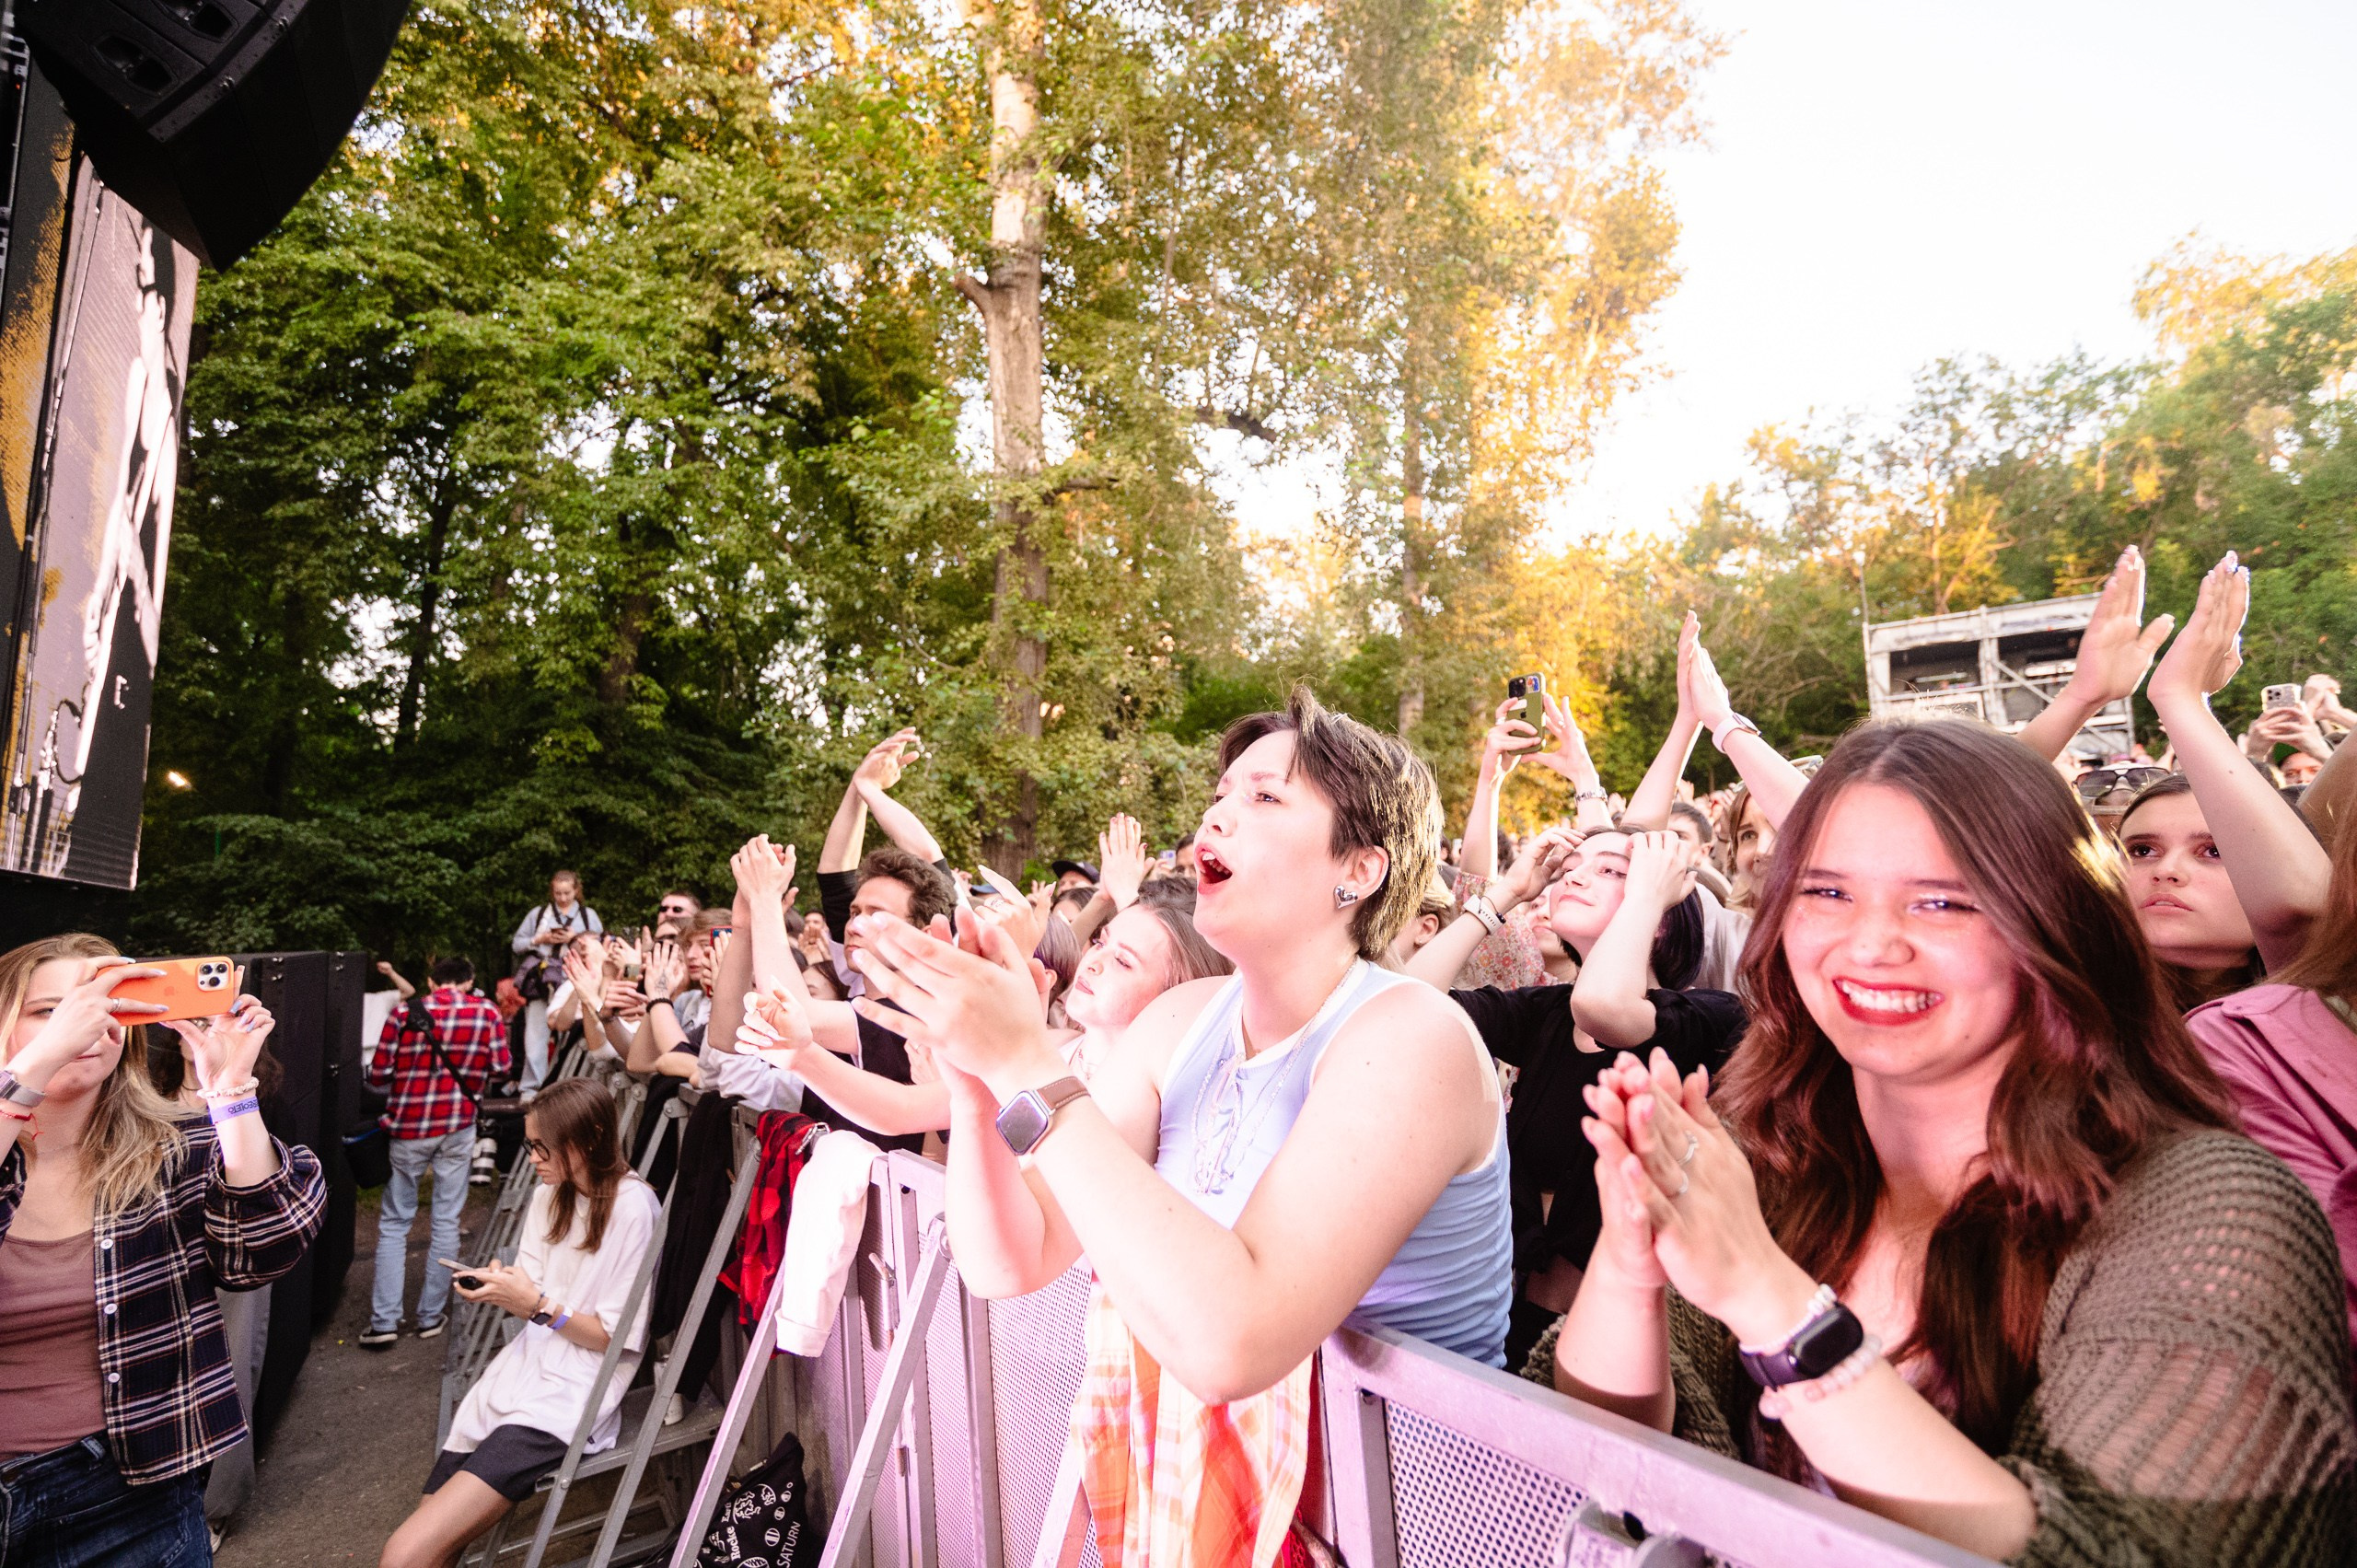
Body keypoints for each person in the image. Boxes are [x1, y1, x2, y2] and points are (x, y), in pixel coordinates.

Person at [1538, 718, 2354, 1566]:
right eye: (1826, 893)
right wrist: (1634, 1259)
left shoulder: (2216, 1210)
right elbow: (1597, 1462)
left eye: (1943, 900)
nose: (1872, 943)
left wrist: (1774, 1303)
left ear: (2054, 923)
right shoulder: (1778, 1147)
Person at [852, 688, 1511, 1568]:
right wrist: (972, 1077)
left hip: (1415, 1525)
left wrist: (1024, 1062)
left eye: (1266, 797)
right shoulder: (1183, 1020)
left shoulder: (1412, 1035)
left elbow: (1230, 1341)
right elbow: (1009, 1256)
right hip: (1227, 1512)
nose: (1218, 813)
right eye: (1221, 794)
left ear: (1358, 868)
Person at [0, 935, 325, 1564]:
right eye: (51, 1009)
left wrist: (231, 1093)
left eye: (110, 1006)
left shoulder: (171, 1148)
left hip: (130, 1495)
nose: (90, 1021)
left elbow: (264, 1247)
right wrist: (31, 1072)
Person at [1405, 825, 1743, 1367]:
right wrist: (1506, 894)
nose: (1575, 875)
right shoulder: (1547, 1012)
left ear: (1662, 916)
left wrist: (1649, 896)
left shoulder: (1708, 1017)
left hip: (1629, 1353)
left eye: (1611, 870)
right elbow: (1405, 1006)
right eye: (1570, 867)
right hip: (1512, 1327)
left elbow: (1607, 1006)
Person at [380, 1079, 660, 1568]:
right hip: (520, 1376)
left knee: (406, 1553)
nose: (531, 1157)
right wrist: (500, 1284)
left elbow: (612, 1340)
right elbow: (530, 1284)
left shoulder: (633, 1207)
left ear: (589, 1138)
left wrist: (537, 1306)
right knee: (422, 1549)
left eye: (540, 1146)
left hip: (570, 1396)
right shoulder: (549, 1196)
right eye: (529, 1144)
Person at [362, 957, 510, 1350]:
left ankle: (384, 1322)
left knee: (395, 1222)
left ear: (431, 981)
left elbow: (377, 1077)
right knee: (447, 1220)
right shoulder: (487, 1012)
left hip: (408, 1128)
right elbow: (501, 1068)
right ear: (471, 979)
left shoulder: (403, 1013)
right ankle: (430, 1317)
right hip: (457, 1128)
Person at [509, 872, 604, 1095]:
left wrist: (574, 937)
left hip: (574, 976)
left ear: (576, 891)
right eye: (557, 893)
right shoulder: (539, 914)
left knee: (571, 1035)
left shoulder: (588, 915)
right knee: (535, 1036)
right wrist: (539, 939)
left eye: (567, 893)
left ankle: (567, 1086)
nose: (562, 898)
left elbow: (600, 942)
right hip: (542, 979)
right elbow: (517, 944)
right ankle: (532, 1089)